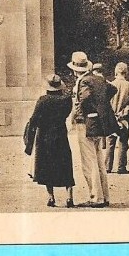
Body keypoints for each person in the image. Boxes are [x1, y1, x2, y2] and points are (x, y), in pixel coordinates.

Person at [68, 51, 118, 208]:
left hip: (86, 124)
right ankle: (105, 196)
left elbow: (83, 99)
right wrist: (100, 106)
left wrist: (77, 115)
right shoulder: (99, 78)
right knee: (99, 161)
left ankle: (96, 197)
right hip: (99, 124)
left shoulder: (83, 82)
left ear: (75, 70)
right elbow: (112, 90)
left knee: (89, 162)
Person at [24, 74, 76, 208]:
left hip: (45, 136)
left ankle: (51, 197)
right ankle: (69, 197)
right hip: (60, 134)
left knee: (47, 166)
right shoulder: (66, 100)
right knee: (65, 164)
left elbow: (34, 119)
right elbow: (67, 114)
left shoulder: (42, 101)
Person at [105, 62, 129, 174]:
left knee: (110, 142)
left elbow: (105, 103)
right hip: (125, 119)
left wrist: (112, 114)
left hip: (111, 118)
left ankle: (107, 167)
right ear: (126, 73)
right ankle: (121, 167)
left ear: (115, 72)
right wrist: (122, 114)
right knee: (123, 143)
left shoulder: (109, 85)